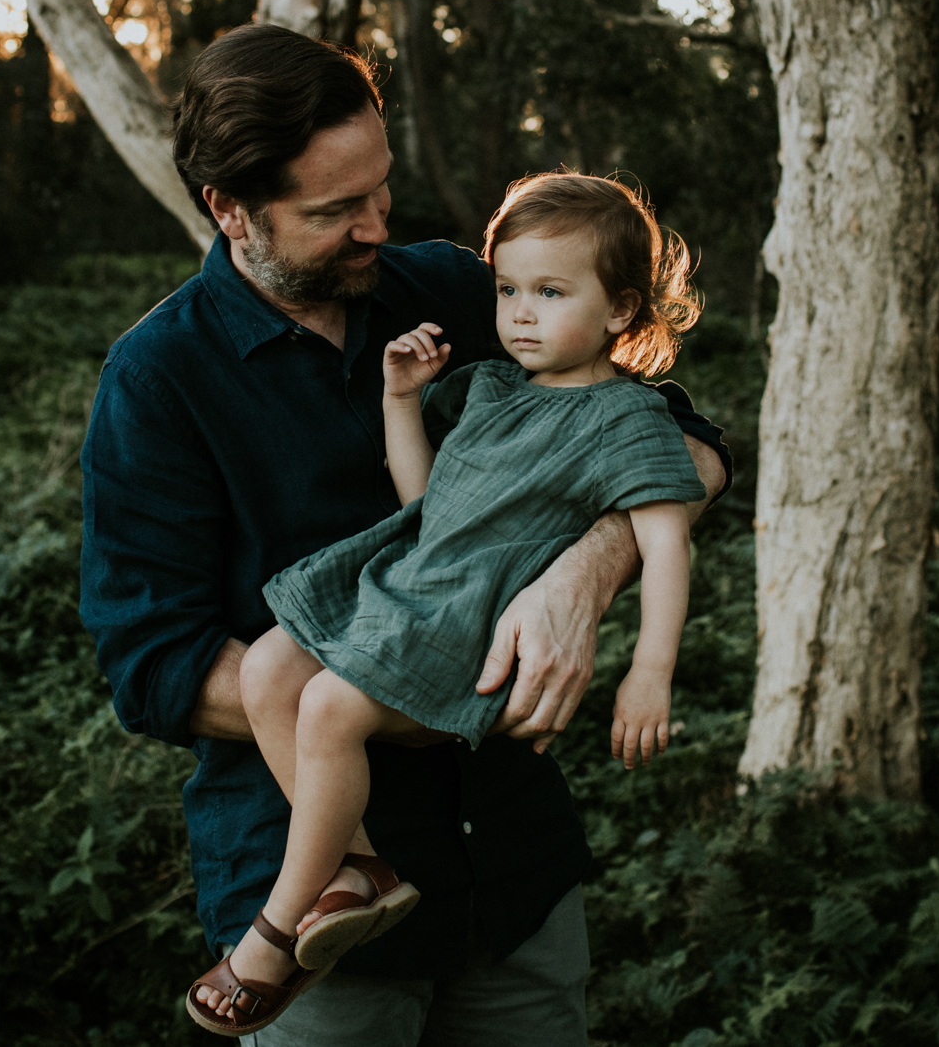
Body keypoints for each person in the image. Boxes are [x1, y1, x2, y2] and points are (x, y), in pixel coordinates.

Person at [79, 25, 729, 1045]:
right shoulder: (158, 382)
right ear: (230, 208)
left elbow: (684, 440)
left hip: (509, 864)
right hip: (317, 913)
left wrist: (585, 571)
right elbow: (153, 662)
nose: (376, 224)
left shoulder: (461, 291)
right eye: (335, 209)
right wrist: (398, 695)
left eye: (380, 189)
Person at [182, 172, 710, 1035]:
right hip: (408, 585)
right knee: (271, 665)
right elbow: (428, 501)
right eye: (506, 290)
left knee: (325, 708)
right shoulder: (493, 388)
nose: (519, 314)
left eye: (549, 292)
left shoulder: (626, 418)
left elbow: (663, 542)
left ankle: (278, 926)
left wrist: (650, 672)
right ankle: (360, 868)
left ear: (620, 310)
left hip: (465, 625)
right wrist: (400, 399)